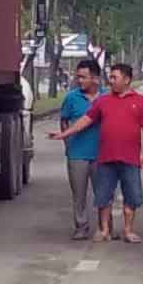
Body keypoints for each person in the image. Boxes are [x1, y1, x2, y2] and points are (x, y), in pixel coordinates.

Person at [50, 60, 143, 243]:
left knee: (131, 195)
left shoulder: (140, 101)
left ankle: (127, 230)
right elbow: (85, 120)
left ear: (127, 80)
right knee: (102, 196)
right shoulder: (102, 101)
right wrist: (64, 134)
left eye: (115, 77)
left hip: (129, 158)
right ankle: (102, 229)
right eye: (110, 77)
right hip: (104, 157)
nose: (111, 81)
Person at [57, 60, 101, 241]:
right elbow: (64, 120)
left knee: (104, 193)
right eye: (78, 77)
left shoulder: (107, 97)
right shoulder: (71, 98)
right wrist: (68, 144)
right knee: (79, 194)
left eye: (84, 77)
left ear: (95, 78)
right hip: (77, 154)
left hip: (101, 153)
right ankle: (81, 226)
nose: (79, 81)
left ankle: (105, 226)